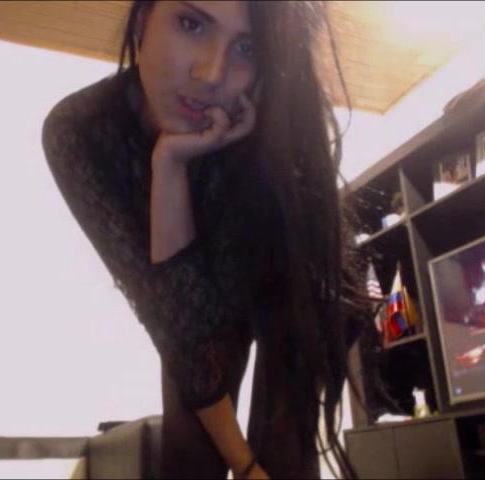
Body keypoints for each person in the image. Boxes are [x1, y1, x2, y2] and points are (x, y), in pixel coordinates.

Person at [42, 1, 373, 478]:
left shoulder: (272, 125)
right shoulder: (81, 131)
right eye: (191, 24)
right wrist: (170, 165)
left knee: (285, 448)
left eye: (247, 48)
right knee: (190, 451)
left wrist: (257, 466)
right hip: (191, 296)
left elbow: (291, 287)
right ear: (143, 20)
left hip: (296, 278)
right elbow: (179, 322)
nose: (212, 73)